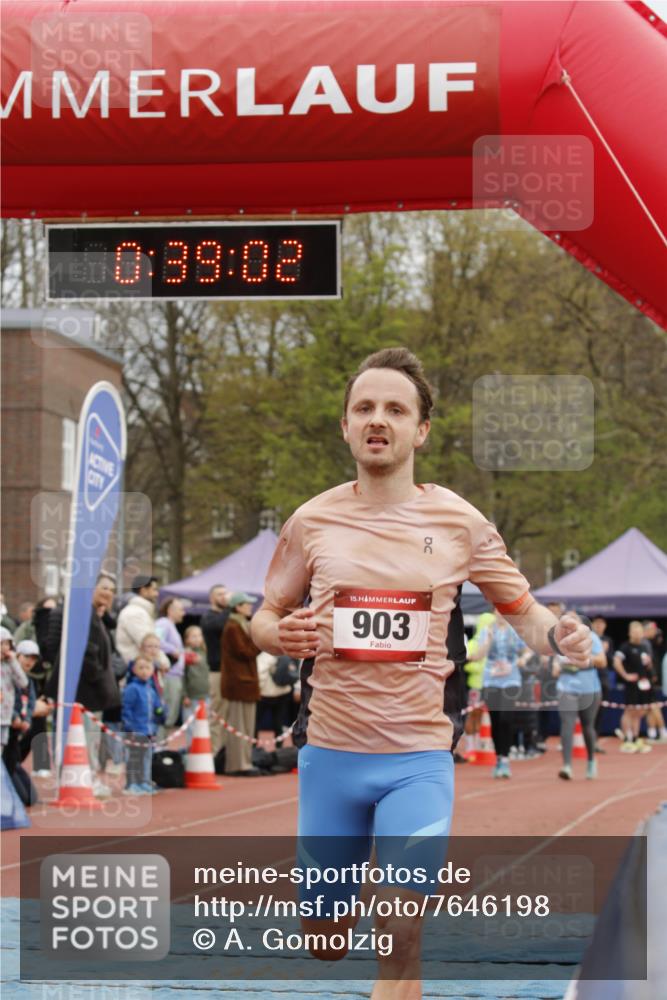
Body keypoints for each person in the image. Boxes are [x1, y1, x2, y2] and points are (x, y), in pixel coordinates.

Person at [249, 347, 592, 999]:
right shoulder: (311, 520)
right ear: (345, 426)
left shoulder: (458, 522)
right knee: (325, 940)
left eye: (395, 410)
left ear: (420, 430)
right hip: (331, 755)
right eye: (365, 408)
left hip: (417, 758)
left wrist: (559, 635)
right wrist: (278, 632)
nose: (378, 420)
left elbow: (521, 610)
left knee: (400, 931)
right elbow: (266, 614)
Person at [45, 574, 121, 797]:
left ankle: (83, 778)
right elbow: (87, 650)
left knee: (90, 738)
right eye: (104, 587)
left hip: (91, 688)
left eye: (112, 589)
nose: (108, 592)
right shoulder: (83, 613)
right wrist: (97, 677)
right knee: (84, 737)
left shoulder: (96, 615)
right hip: (85, 689)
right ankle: (82, 780)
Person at [554, 614, 608, 780]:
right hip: (566, 686)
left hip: (589, 687)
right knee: (567, 725)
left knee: (587, 726)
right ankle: (567, 766)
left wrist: (584, 659)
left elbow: (602, 661)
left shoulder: (591, 637)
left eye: (572, 621)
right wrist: (556, 666)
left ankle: (591, 761)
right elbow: (554, 661)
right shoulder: (558, 639)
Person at [477, 610, 529, 777]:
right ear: (494, 613)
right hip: (491, 680)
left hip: (511, 679)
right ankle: (499, 756)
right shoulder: (487, 630)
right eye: (498, 611)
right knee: (495, 720)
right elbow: (479, 655)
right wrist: (489, 639)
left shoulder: (515, 631)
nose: (501, 614)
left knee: (506, 717)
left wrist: (523, 659)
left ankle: (505, 759)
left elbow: (528, 650)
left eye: (503, 611)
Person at [220, 592, 263, 776]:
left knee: (246, 727)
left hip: (246, 683)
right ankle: (237, 764)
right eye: (246, 604)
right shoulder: (233, 627)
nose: (250, 607)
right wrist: (260, 641)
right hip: (238, 683)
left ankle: (245, 761)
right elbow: (245, 652)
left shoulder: (241, 625)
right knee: (239, 727)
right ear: (237, 606)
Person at [121, 655, 163, 795]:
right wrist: (129, 728)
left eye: (147, 668)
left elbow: (158, 707)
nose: (144, 671)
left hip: (149, 730)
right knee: (134, 758)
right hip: (136, 730)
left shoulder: (151, 689)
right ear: (134, 670)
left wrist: (161, 711)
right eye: (141, 668)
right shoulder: (132, 688)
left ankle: (144, 781)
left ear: (152, 670)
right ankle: (131, 784)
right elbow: (126, 709)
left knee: (146, 758)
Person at [614, 621, 654, 754]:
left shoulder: (644, 647)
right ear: (630, 632)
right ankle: (626, 739)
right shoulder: (625, 647)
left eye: (639, 631)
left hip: (643, 684)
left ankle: (636, 738)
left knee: (639, 711)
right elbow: (616, 661)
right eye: (635, 631)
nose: (637, 633)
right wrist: (625, 675)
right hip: (631, 685)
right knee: (629, 711)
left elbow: (648, 665)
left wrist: (648, 665)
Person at [200, 584, 231, 755]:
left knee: (229, 715)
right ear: (212, 598)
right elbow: (219, 626)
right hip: (217, 671)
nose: (224, 597)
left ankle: (225, 754)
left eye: (225, 594)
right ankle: (213, 752)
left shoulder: (228, 615)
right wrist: (231, 606)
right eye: (220, 594)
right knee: (218, 714)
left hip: (230, 672)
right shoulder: (208, 617)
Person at [155, 598, 186, 731]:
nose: (183, 613)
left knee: (171, 713)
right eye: (180, 609)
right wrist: (172, 650)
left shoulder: (171, 626)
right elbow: (156, 640)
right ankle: (160, 745)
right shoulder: (163, 623)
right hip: (169, 675)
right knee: (167, 713)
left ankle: (163, 743)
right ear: (170, 610)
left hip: (174, 675)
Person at [115, 575, 159, 664]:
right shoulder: (135, 613)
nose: (157, 594)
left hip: (140, 668)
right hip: (136, 670)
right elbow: (149, 645)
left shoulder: (141, 612)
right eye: (154, 589)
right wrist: (164, 663)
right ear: (143, 590)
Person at [182, 625, 211, 750]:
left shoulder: (206, 654)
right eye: (193, 636)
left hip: (206, 696)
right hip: (191, 696)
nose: (197, 638)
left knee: (205, 724)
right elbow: (182, 676)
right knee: (191, 725)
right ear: (187, 639)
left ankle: (204, 750)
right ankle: (191, 749)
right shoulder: (184, 655)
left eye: (199, 635)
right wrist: (184, 695)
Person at [1, 627, 29, 752]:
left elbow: (23, 682)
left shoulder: (9, 665)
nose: (5, 648)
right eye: (2, 644)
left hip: (5, 717)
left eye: (7, 644)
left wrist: (13, 661)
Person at [642, 621, 667, 742]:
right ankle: (652, 733)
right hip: (647, 677)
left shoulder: (652, 641)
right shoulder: (644, 642)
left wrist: (652, 675)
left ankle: (662, 732)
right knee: (650, 706)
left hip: (651, 677)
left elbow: (649, 661)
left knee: (653, 704)